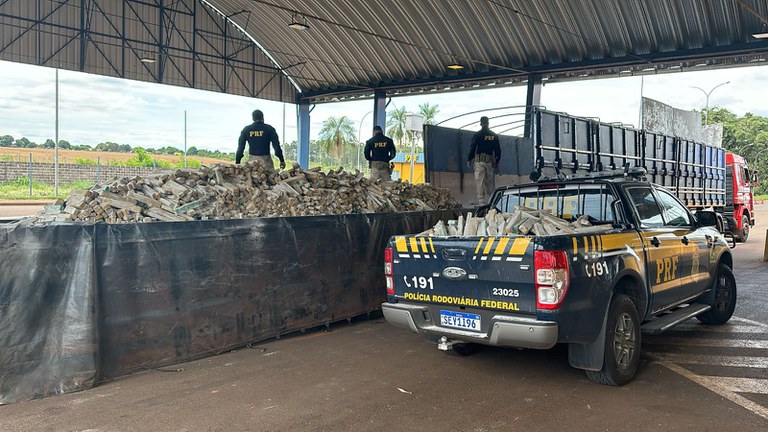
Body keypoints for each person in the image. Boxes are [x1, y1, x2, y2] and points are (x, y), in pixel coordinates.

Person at [467, 116, 501, 204]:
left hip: (479, 162)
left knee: (480, 180)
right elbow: (497, 150)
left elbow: (473, 147)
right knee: (489, 180)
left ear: (481, 124)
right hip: (489, 161)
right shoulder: (494, 135)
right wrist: (497, 162)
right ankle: (491, 199)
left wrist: (469, 159)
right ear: (488, 123)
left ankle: (481, 201)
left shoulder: (477, 135)